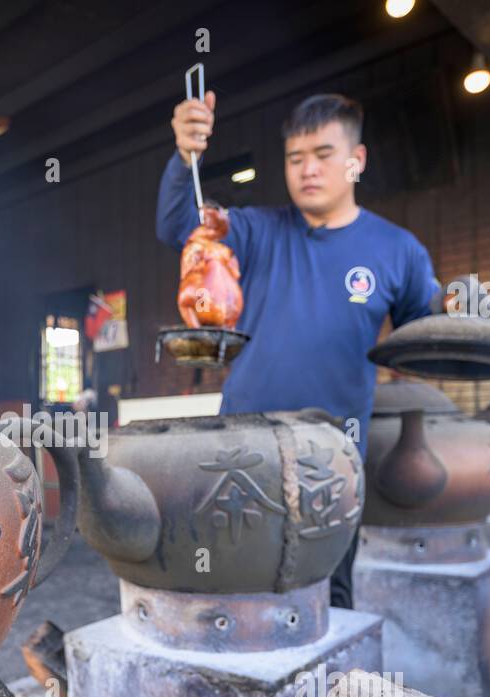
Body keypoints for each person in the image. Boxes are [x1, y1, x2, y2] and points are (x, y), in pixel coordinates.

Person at [157, 92, 440, 608]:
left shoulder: (398, 249)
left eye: (323, 154)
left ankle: (334, 690)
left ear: (357, 160)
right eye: (295, 157)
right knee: (232, 591)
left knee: (326, 599)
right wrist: (184, 158)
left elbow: (423, 339)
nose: (307, 169)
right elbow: (178, 226)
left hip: (331, 461)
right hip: (241, 451)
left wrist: (462, 308)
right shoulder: (254, 230)